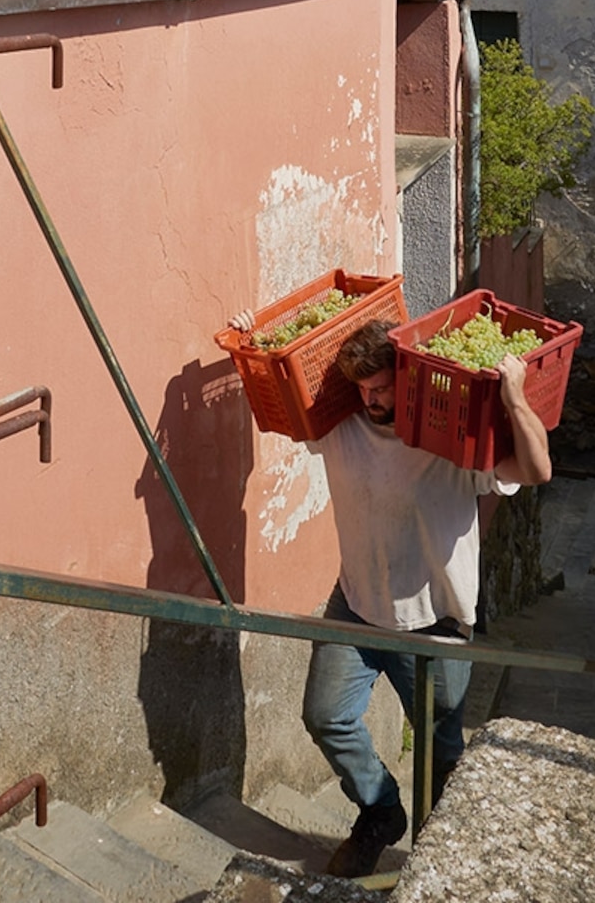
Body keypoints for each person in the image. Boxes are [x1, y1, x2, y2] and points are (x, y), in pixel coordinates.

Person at [230, 312, 553, 877]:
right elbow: (278, 391)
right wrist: (254, 337)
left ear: (409, 380)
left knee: (442, 753)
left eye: (380, 388)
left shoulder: (450, 440)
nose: (371, 399)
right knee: (326, 715)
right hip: (354, 604)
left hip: (434, 623)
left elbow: (537, 467)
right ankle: (380, 813)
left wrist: (516, 396)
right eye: (362, 389)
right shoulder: (340, 425)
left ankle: (438, 859)